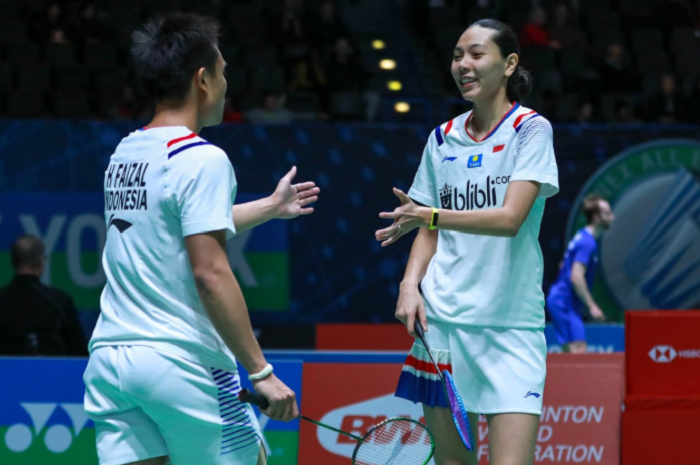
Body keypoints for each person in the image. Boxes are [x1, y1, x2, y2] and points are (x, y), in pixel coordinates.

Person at [83, 14, 320, 465]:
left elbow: (174, 224)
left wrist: (269, 207)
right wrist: (261, 372)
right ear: (203, 79)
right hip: (182, 363)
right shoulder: (202, 158)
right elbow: (210, 271)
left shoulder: (126, 152)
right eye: (224, 71)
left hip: (112, 361)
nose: (227, 83)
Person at [375, 19, 559, 465]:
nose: (463, 65)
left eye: (477, 54)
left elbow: (510, 218)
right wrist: (408, 285)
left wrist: (431, 214)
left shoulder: (530, 131)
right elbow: (428, 231)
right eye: (458, 55)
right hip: (443, 329)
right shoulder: (442, 139)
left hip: (511, 327)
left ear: (509, 63)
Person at [546, 195, 614, 353]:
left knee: (571, 353)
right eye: (608, 214)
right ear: (597, 217)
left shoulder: (581, 235)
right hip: (564, 302)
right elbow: (576, 277)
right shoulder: (587, 243)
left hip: (565, 301)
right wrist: (592, 306)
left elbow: (563, 265)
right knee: (578, 351)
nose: (612, 217)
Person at [0, 235, 87, 356]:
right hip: (54, 374)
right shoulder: (60, 302)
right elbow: (79, 352)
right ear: (40, 262)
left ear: (13, 262)